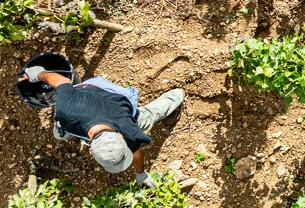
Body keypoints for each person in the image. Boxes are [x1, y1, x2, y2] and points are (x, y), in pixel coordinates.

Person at [20, 65, 185, 187]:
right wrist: (38, 74)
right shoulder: (65, 110)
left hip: (109, 97)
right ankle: (176, 95)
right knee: (60, 133)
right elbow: (61, 80)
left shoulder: (127, 127)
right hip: (91, 92)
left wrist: (141, 174)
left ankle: (176, 96)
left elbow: (136, 151)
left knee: (147, 116)